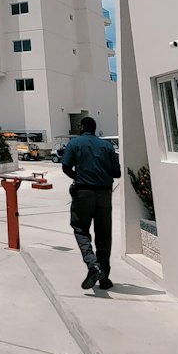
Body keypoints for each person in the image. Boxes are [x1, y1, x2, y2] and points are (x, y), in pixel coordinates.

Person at [60, 117, 121, 290]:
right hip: (104, 194)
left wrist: (77, 177)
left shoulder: (75, 144)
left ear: (82, 127)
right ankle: (104, 278)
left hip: (83, 193)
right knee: (104, 235)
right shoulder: (107, 146)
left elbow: (65, 167)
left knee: (80, 229)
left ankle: (93, 265)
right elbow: (116, 173)